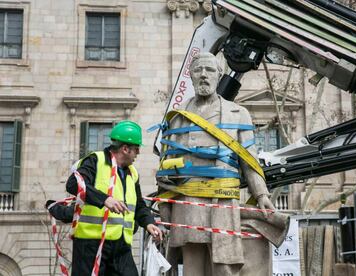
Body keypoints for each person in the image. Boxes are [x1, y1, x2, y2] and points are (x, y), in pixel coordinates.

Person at [157, 52, 276, 276]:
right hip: (188, 203)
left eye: (210, 70)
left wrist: (262, 195)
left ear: (219, 76)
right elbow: (166, 167)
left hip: (222, 200)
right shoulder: (177, 117)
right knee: (193, 267)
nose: (203, 75)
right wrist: (165, 211)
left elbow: (248, 160)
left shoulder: (239, 114)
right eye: (198, 70)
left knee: (224, 267)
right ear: (191, 76)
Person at [65, 121, 162, 276]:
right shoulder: (95, 161)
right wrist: (104, 199)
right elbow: (73, 184)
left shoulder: (132, 173)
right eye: (136, 149)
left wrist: (149, 223)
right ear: (125, 149)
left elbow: (139, 205)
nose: (138, 154)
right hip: (91, 244)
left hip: (121, 246)